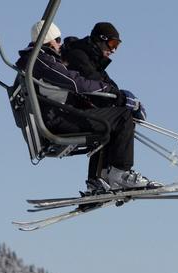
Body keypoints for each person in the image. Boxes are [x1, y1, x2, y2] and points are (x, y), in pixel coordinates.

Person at [15, 20, 158, 191]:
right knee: (122, 116)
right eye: (58, 40)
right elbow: (74, 82)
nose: (60, 44)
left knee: (107, 119)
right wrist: (110, 91)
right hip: (58, 121)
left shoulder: (39, 60)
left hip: (58, 117)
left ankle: (97, 182)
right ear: (49, 40)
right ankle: (121, 173)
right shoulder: (40, 60)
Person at [61, 22, 148, 187]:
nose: (114, 49)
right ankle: (120, 172)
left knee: (109, 123)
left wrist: (127, 98)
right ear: (100, 40)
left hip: (73, 112)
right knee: (122, 117)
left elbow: (108, 85)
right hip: (70, 114)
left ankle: (99, 179)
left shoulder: (91, 58)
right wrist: (122, 100)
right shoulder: (79, 56)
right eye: (112, 43)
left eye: (118, 45)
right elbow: (95, 85)